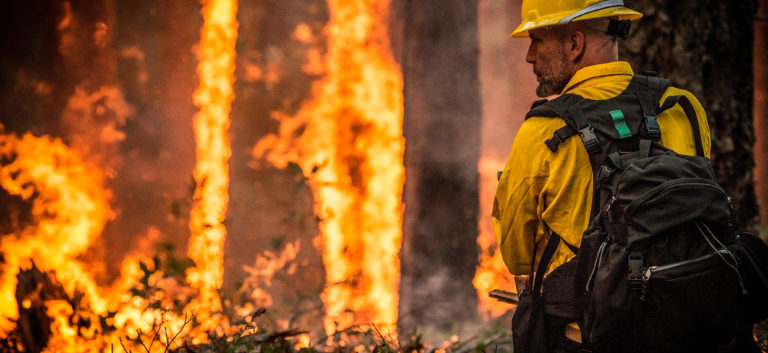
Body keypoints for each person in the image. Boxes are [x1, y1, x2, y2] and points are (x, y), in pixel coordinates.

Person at [492, 0, 717, 351]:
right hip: (687, 327)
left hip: (585, 337)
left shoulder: (543, 132)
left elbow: (517, 256)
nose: (530, 56)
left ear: (574, 43)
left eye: (537, 40)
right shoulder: (683, 107)